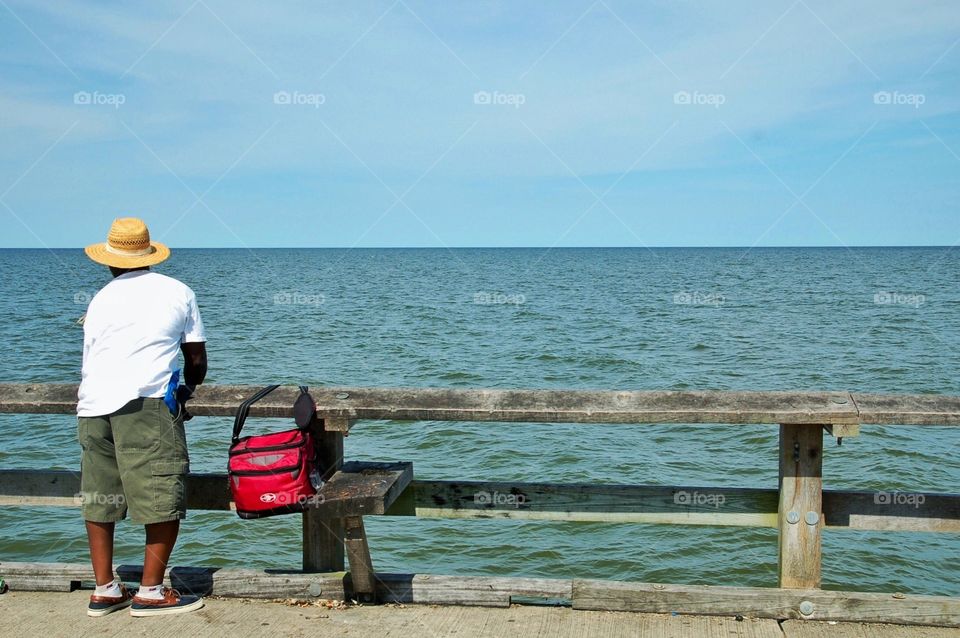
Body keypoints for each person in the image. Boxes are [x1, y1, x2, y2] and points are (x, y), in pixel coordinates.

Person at [77, 217, 207, 617]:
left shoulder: (100, 299)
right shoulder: (177, 291)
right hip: (146, 403)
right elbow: (196, 359)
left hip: (92, 406)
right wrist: (187, 389)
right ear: (149, 255)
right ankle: (150, 592)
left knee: (100, 496)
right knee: (162, 492)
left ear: (109, 260)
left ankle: (105, 589)